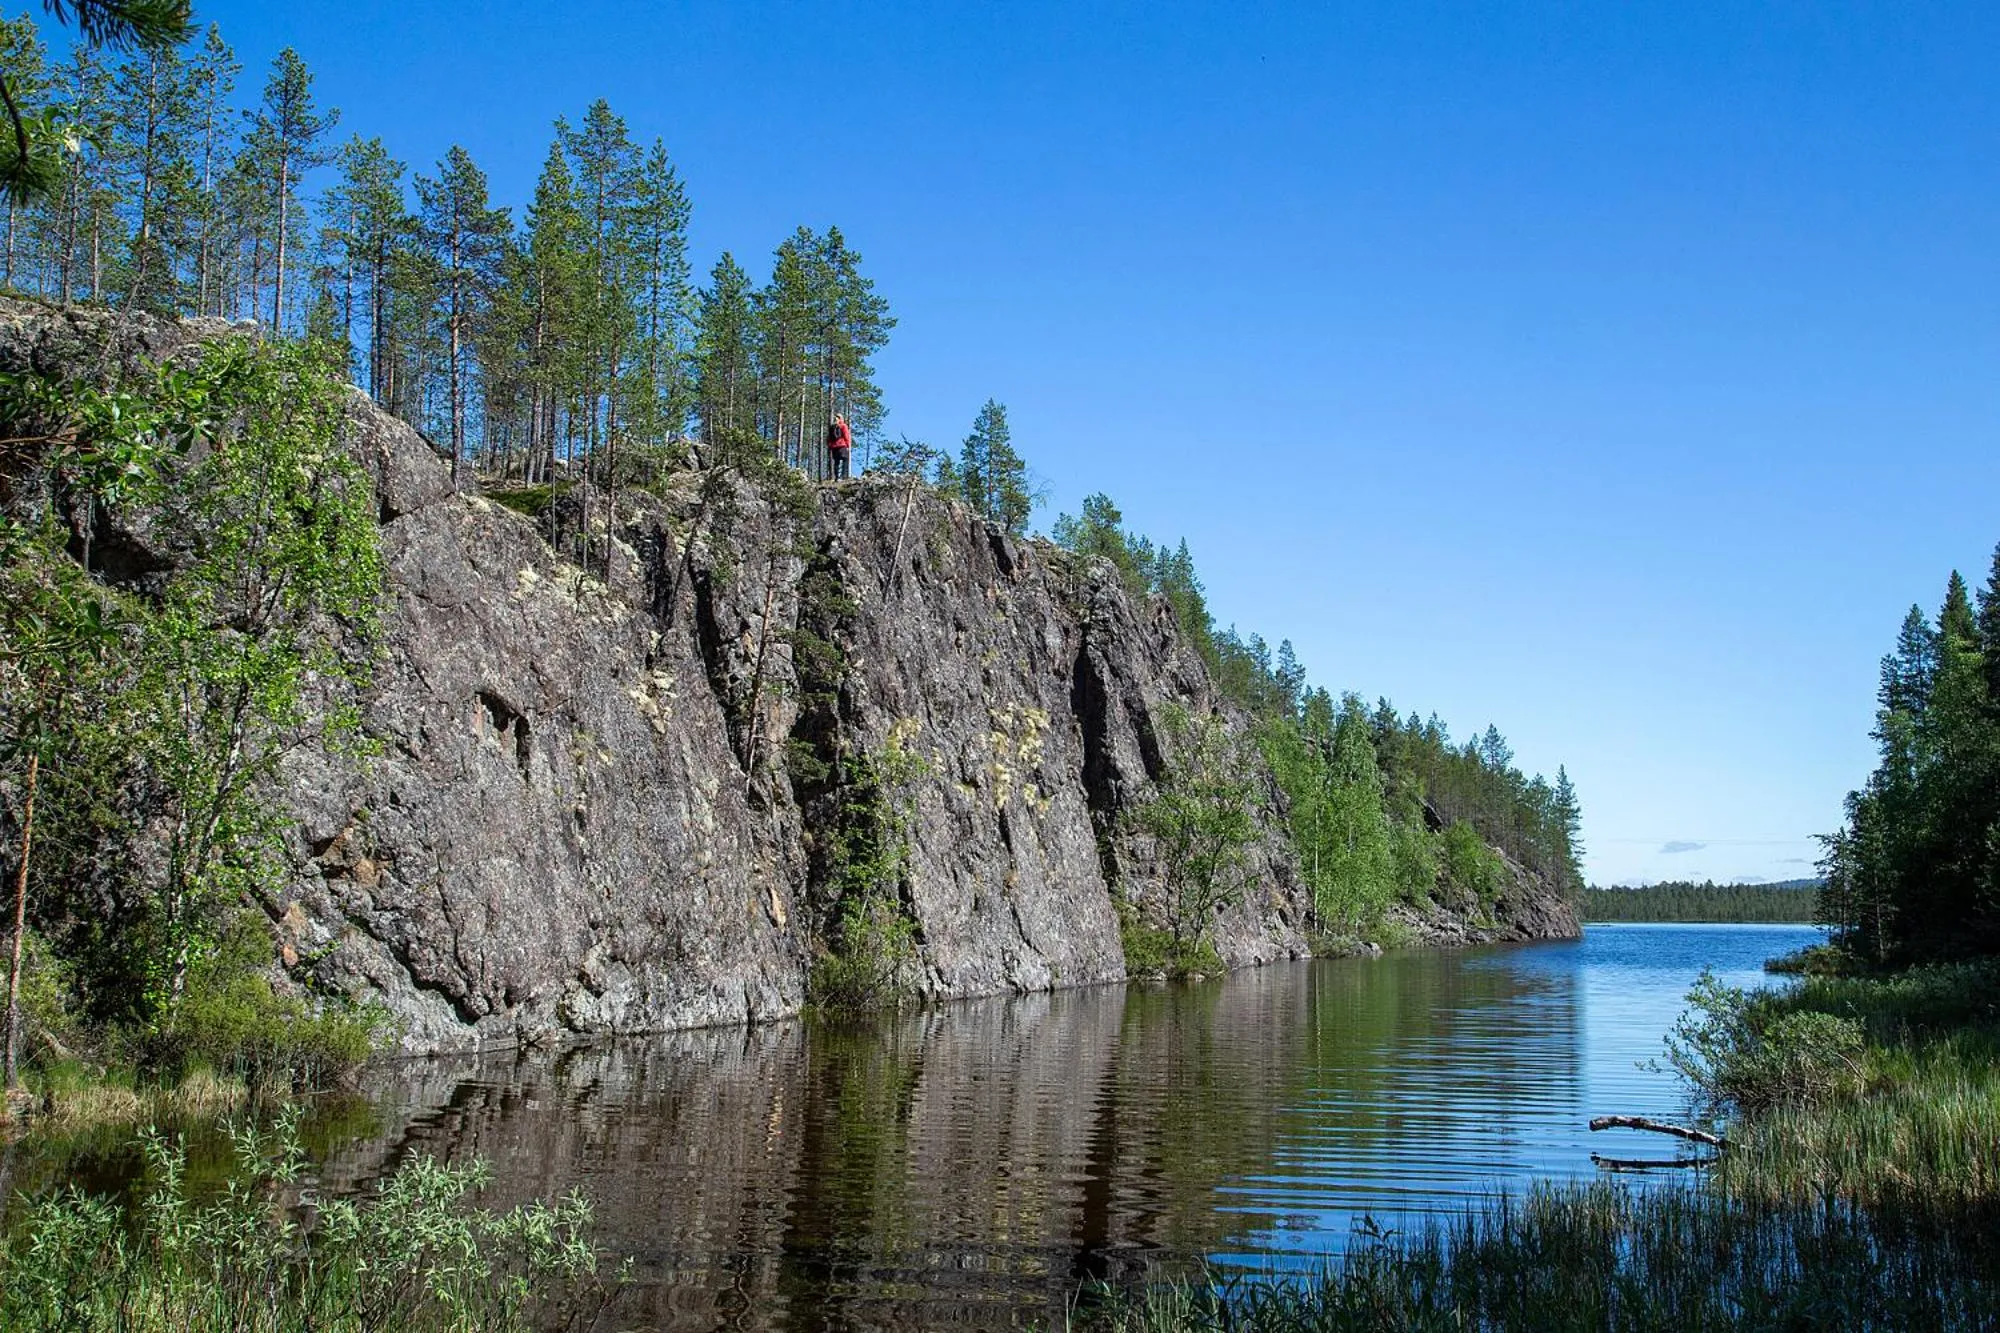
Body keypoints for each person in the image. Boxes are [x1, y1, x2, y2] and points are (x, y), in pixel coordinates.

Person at [826, 413, 853, 480]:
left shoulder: (832, 427)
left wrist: (830, 446)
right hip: (842, 445)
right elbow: (846, 436)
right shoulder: (843, 426)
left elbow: (828, 438)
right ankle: (843, 477)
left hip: (834, 447)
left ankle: (837, 477)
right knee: (845, 460)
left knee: (836, 462)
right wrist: (848, 445)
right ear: (841, 418)